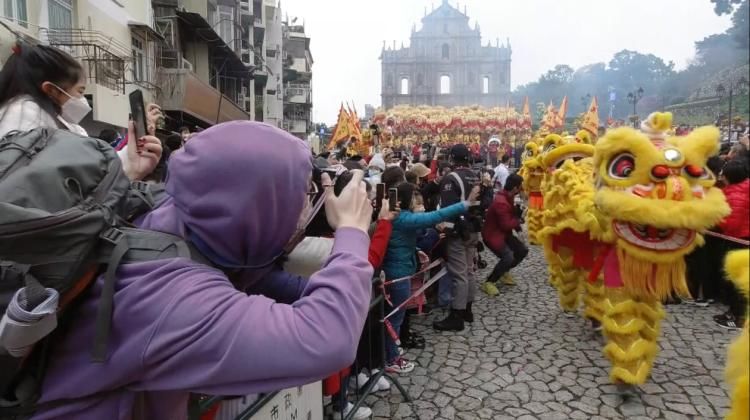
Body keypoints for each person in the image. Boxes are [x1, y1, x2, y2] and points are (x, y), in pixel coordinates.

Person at [30, 121, 375, 419]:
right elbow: (327, 339)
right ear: (254, 202)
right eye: (302, 192)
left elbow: (250, 274)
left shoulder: (167, 218)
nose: (305, 206)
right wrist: (353, 234)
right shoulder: (172, 297)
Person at [0, 42, 162, 181]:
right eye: (80, 91)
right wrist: (130, 164)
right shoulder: (27, 121)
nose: (82, 100)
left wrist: (132, 161)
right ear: (51, 90)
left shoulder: (39, 119)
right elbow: (82, 180)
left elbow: (91, 170)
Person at [382, 182, 476, 373]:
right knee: (396, 318)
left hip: (399, 270)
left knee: (395, 318)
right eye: (415, 198)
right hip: (398, 274)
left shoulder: (398, 216)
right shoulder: (402, 218)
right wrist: (465, 204)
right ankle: (391, 358)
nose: (418, 202)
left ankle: (391, 351)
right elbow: (435, 215)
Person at [433, 144, 482, 332]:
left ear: (452, 159)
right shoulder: (474, 176)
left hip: (458, 231)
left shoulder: (451, 178)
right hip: (473, 228)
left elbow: (448, 210)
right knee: (469, 271)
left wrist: (446, 230)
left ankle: (457, 315)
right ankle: (468, 310)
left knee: (459, 274)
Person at [714, 159, 750, 330]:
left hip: (738, 240)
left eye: (723, 173)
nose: (721, 176)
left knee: (736, 280)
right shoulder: (744, 187)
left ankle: (737, 317)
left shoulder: (736, 194)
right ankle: (734, 313)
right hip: (742, 239)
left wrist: (715, 218)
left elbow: (732, 223)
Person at [480, 174, 529, 296]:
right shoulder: (501, 202)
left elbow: (511, 215)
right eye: (520, 187)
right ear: (515, 188)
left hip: (503, 234)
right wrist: (520, 219)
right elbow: (506, 224)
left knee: (522, 250)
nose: (521, 189)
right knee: (508, 257)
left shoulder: (508, 196)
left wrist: (519, 230)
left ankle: (503, 272)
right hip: (492, 236)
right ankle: (489, 282)